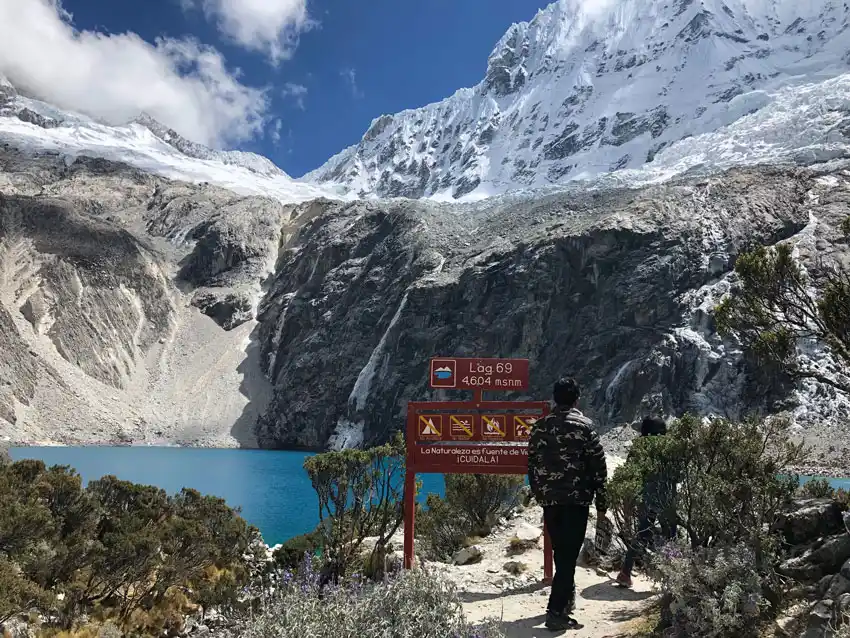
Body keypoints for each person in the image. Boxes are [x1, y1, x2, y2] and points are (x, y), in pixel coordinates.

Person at [528, 377, 608, 631]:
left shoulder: (539, 427)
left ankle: (564, 602)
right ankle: (555, 611)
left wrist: (540, 493)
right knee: (567, 556)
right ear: (576, 399)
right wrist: (602, 500)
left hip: (550, 501)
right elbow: (598, 466)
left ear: (555, 398)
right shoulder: (585, 427)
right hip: (576, 501)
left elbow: (531, 465)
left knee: (561, 553)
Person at [615, 416, 677, 589]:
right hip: (666, 497)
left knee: (643, 534)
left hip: (645, 497)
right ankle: (674, 577)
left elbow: (630, 471)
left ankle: (625, 573)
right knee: (671, 534)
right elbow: (677, 473)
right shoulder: (670, 446)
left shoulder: (638, 446)